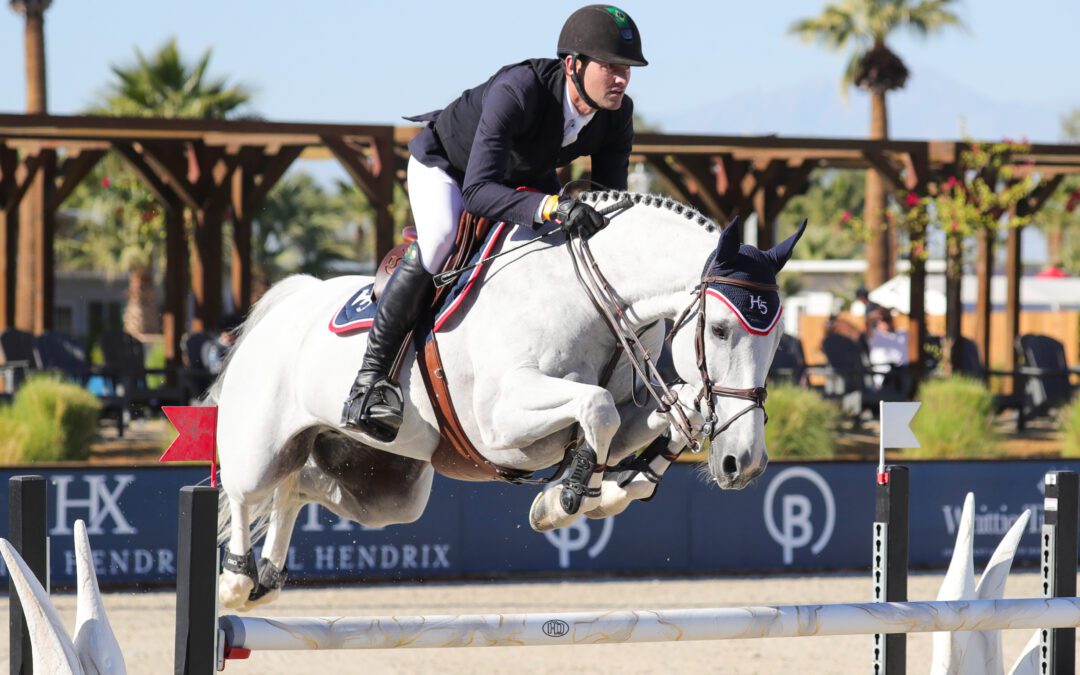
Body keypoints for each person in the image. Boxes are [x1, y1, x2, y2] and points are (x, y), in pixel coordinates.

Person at [341, 5, 648, 441]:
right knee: (442, 239)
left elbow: (610, 201)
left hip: (522, 175)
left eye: (628, 69)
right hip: (449, 168)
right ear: (573, 65)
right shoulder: (518, 89)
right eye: (611, 67)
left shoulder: (617, 114)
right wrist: (552, 208)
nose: (621, 78)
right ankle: (369, 382)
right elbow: (478, 192)